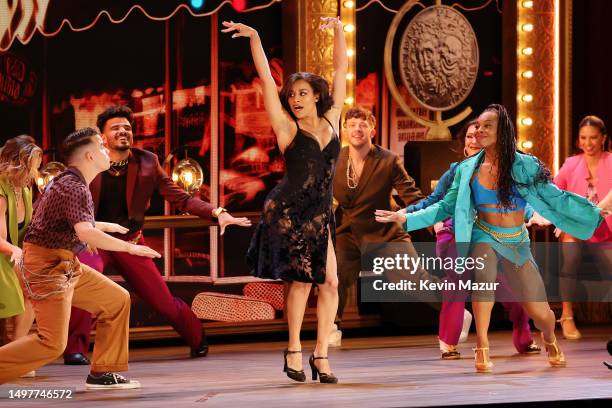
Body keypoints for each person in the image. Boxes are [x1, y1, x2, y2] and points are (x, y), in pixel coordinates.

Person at [376, 104, 606, 373]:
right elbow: (443, 206)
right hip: (483, 234)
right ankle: (482, 346)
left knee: (540, 312)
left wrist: (591, 211)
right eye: (478, 126)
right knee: (483, 275)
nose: (480, 130)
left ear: (502, 131)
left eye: (487, 126)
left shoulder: (525, 165)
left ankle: (549, 337)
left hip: (516, 241)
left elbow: (555, 196)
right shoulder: (467, 170)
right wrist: (405, 218)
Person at [64, 105, 252, 364]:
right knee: (85, 286)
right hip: (95, 241)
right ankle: (75, 349)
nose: (123, 131)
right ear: (102, 136)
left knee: (162, 301)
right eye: (116, 127)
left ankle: (197, 337)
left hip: (130, 241)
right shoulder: (90, 161)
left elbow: (181, 198)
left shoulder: (147, 162)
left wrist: (217, 212)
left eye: (127, 128)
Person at [223, 16, 346, 383]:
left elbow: (340, 68)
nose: (294, 99)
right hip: (289, 212)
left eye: (302, 93)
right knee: (302, 282)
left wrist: (340, 31)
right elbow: (265, 77)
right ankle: (294, 348)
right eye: (291, 95)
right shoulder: (285, 127)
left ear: (317, 96)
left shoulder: (333, 117)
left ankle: (320, 354)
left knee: (331, 284)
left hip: (320, 214)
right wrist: (256, 38)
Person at [0, 127, 161, 388]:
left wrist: (104, 226)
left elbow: (73, 222)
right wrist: (131, 248)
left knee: (117, 301)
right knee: (52, 344)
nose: (106, 149)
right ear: (88, 156)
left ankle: (103, 373)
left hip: (64, 264)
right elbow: (84, 230)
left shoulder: (68, 183)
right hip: (46, 268)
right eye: (101, 145)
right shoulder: (73, 186)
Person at [403, 120, 540, 359]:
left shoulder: (504, 171)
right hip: (456, 236)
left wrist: (535, 214)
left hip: (492, 237)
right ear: (464, 144)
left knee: (513, 287)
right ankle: (448, 342)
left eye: (480, 136)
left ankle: (524, 336)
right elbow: (434, 201)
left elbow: (518, 202)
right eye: (469, 137)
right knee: (457, 282)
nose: (474, 140)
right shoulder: (455, 172)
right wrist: (404, 214)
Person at [332, 106, 439, 341]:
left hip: (384, 230)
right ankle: (331, 327)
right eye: (352, 125)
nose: (357, 129)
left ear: (372, 130)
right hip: (348, 231)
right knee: (335, 278)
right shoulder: (334, 159)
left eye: (363, 125)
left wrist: (433, 219)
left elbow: (410, 194)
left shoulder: (387, 159)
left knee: (414, 279)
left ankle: (456, 312)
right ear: (345, 130)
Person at [553, 115, 612, 340]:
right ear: (578, 140)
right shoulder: (571, 164)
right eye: (583, 138)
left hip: (605, 229)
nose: (588, 143)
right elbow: (554, 192)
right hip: (576, 227)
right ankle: (566, 315)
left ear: (603, 138)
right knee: (570, 256)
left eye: (594, 138)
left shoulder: (611, 161)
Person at [0, 136, 42, 377]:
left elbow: (32, 230)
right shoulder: (0, 189)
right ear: (16, 164)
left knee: (34, 284)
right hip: (4, 254)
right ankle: (10, 354)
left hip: (12, 255)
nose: (36, 171)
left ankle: (14, 352)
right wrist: (16, 251)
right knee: (17, 280)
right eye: (33, 165)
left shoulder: (25, 190)